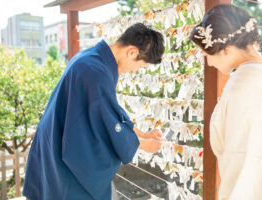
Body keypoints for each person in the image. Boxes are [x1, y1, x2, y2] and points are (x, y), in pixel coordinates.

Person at [23, 23, 165, 200]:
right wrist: (144, 144)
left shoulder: (91, 57)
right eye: (141, 66)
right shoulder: (96, 71)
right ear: (132, 52)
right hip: (64, 148)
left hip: (55, 135)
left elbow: (108, 112)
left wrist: (143, 134)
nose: (134, 71)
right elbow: (109, 124)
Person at [190, 4, 262, 200]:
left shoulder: (243, 88)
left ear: (227, 50)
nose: (210, 64)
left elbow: (244, 160)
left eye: (207, 56)